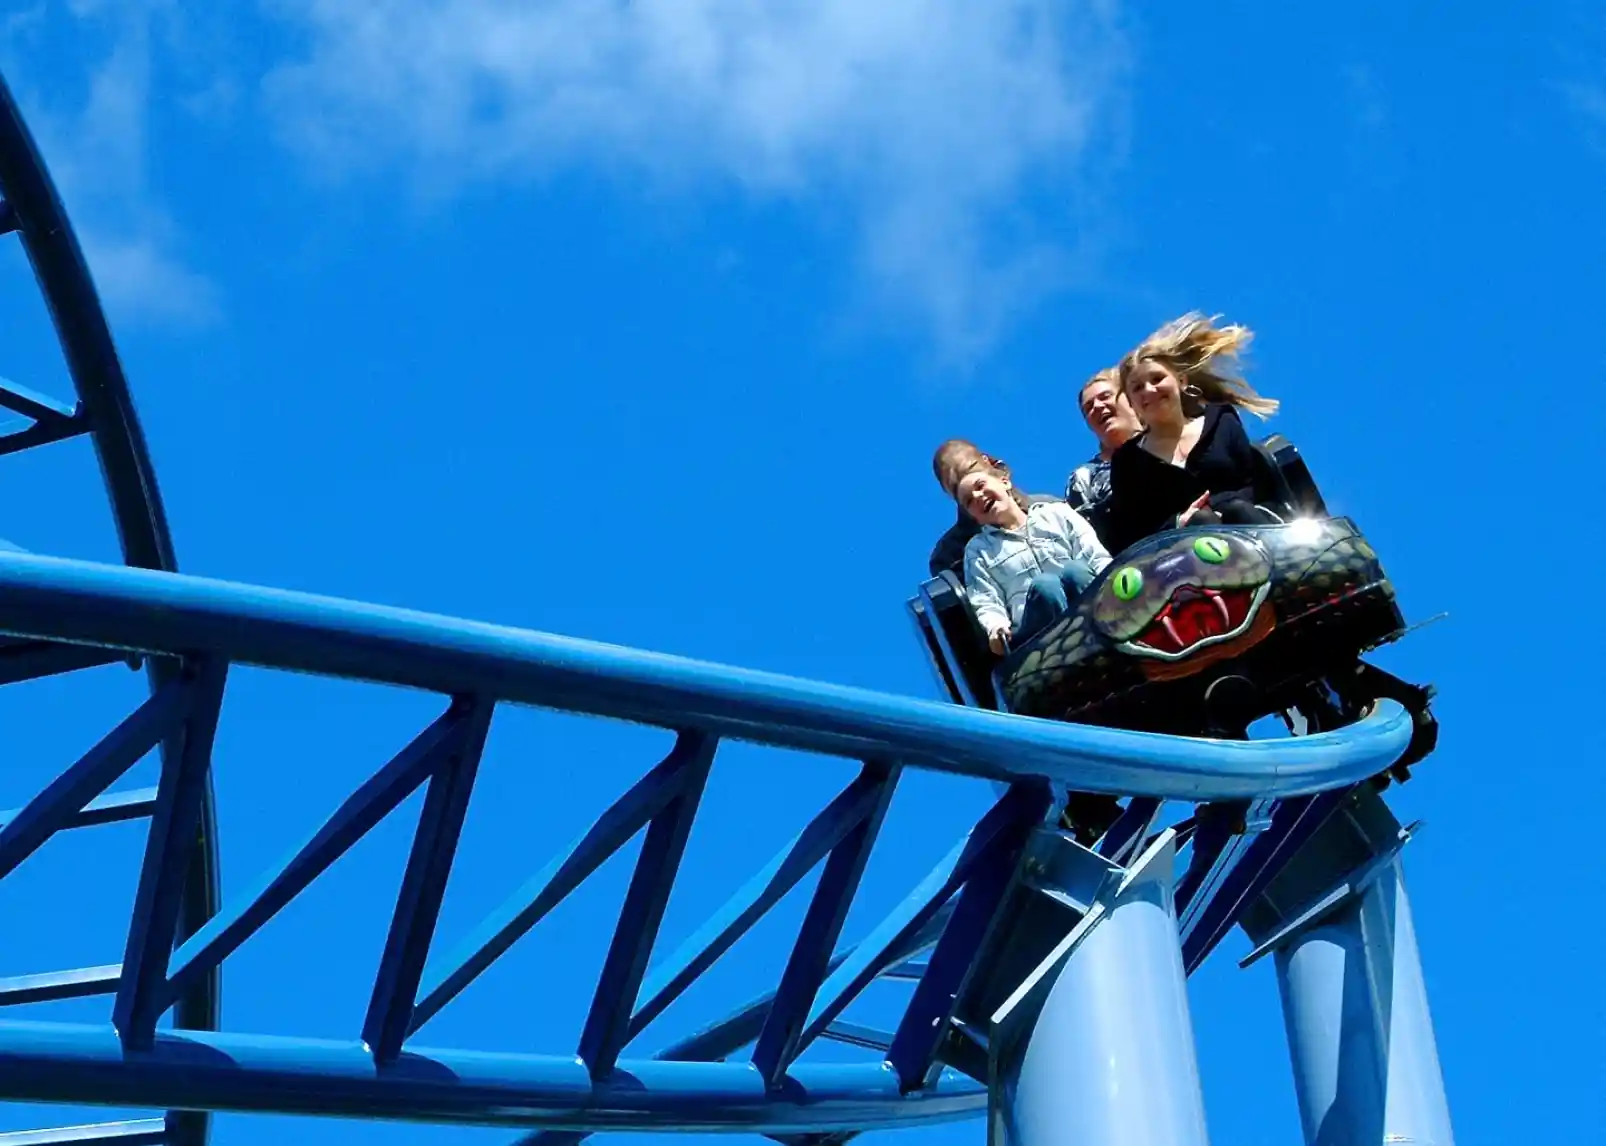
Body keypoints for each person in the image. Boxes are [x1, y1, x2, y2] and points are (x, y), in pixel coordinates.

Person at [1101, 312, 1286, 555]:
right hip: (1182, 556)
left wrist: (1221, 512)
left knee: (1237, 511)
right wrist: (1179, 522)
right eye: (1137, 388)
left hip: (1250, 531)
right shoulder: (1128, 461)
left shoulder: (1222, 421)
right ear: (1132, 403)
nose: (1149, 390)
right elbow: (1130, 531)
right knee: (1200, 524)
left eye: (1157, 379)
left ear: (1181, 381)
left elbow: (1255, 483)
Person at [950, 458, 1112, 656]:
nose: (977, 496)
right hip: (1039, 636)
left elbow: (1095, 555)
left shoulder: (1056, 513)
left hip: (1089, 608)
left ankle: (1107, 632)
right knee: (1046, 586)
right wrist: (996, 628)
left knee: (1075, 570)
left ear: (1004, 482)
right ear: (974, 517)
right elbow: (986, 599)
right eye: (969, 501)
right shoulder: (979, 550)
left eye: (981, 486)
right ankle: (1069, 652)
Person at [1064, 368, 1143, 541]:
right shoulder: (1084, 477)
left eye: (1105, 396)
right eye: (1088, 408)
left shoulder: (1168, 438)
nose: (1097, 407)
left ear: (1128, 398)